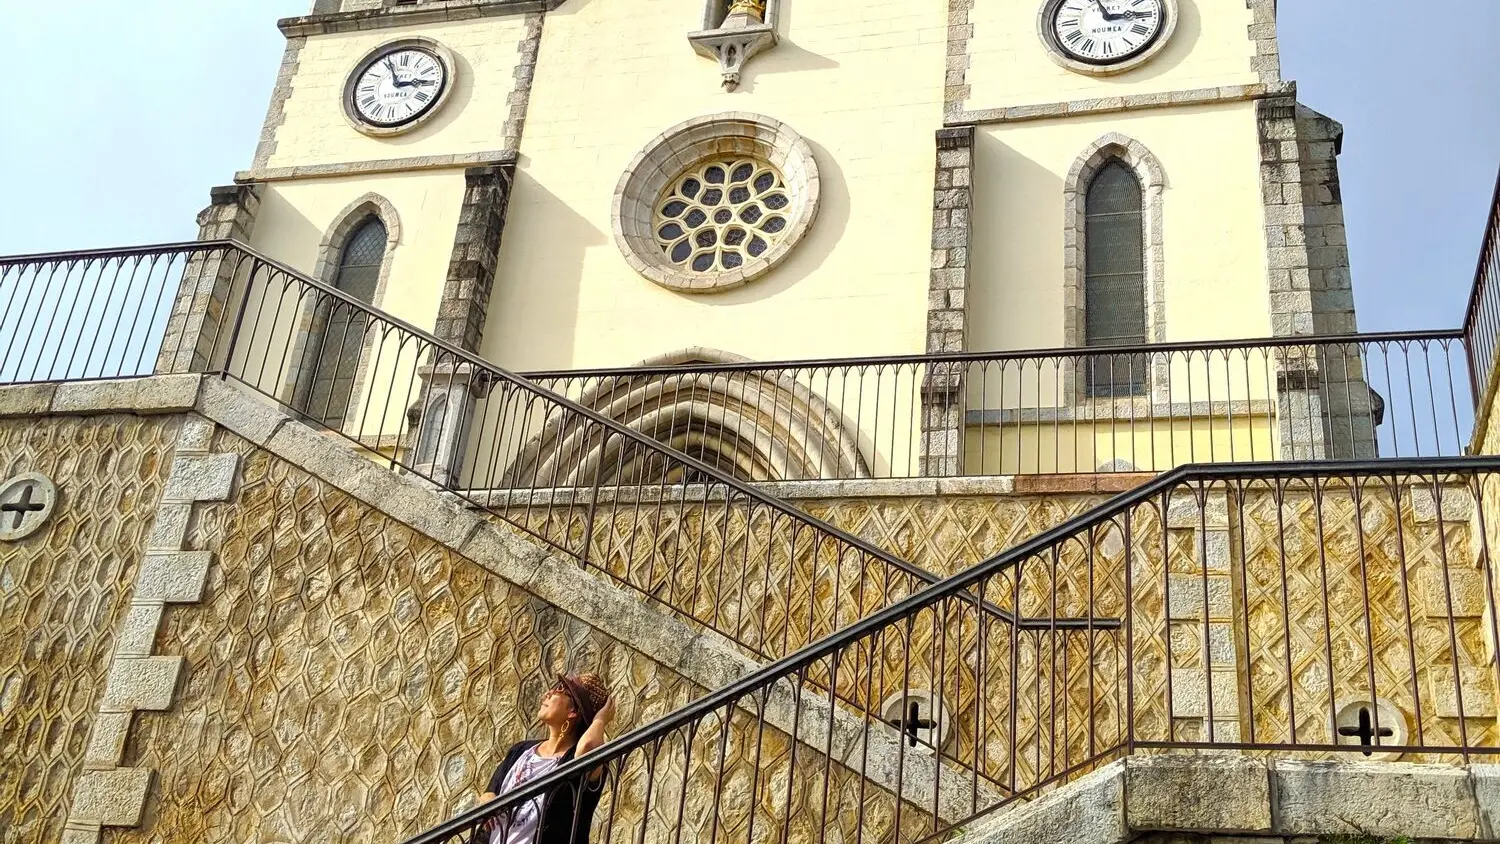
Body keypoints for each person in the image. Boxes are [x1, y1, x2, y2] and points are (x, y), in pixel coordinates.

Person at [477, 673, 615, 844]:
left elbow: (588, 747)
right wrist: (487, 802)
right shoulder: (521, 750)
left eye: (560, 689)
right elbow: (490, 792)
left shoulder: (576, 760)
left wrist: (600, 719)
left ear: (573, 712)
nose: (548, 693)